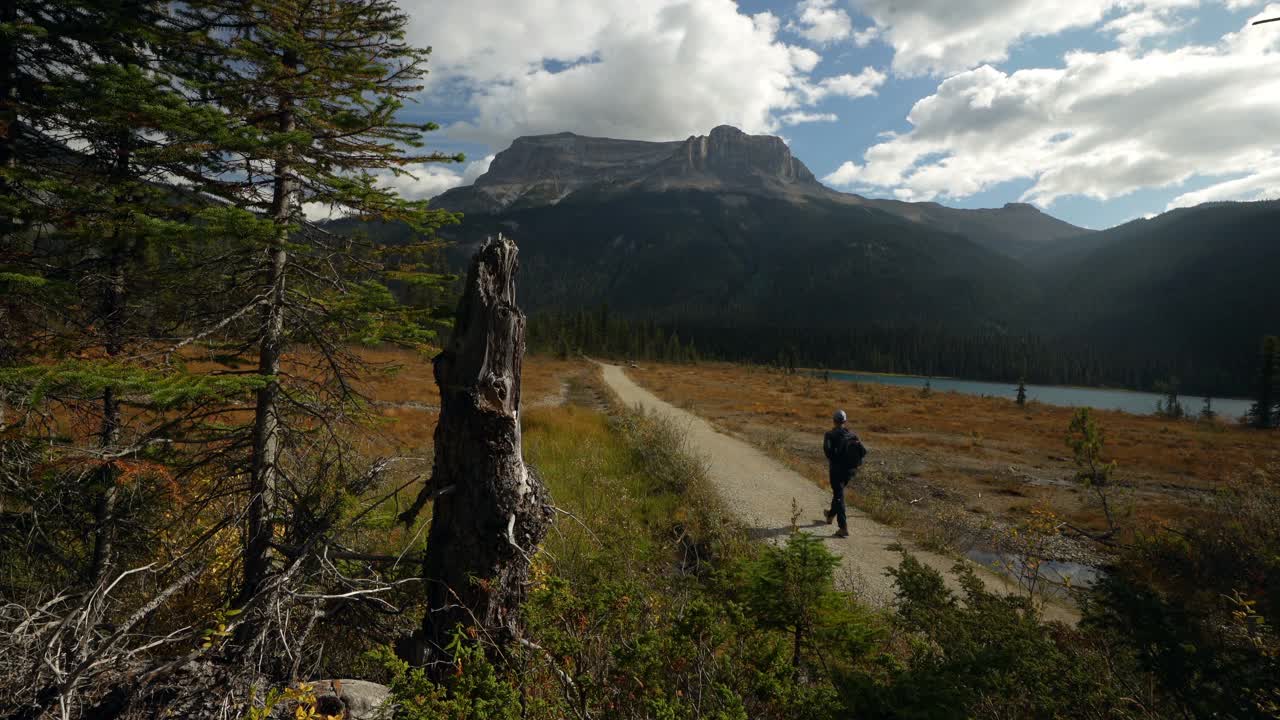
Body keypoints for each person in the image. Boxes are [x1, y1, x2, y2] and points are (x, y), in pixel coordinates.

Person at [822, 409, 865, 538]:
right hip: (850, 470)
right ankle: (830, 515)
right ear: (845, 421)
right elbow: (863, 452)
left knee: (839, 495)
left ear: (834, 420)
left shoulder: (830, 435)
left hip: (836, 470)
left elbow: (828, 453)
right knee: (838, 492)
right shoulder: (853, 435)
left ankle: (843, 527)